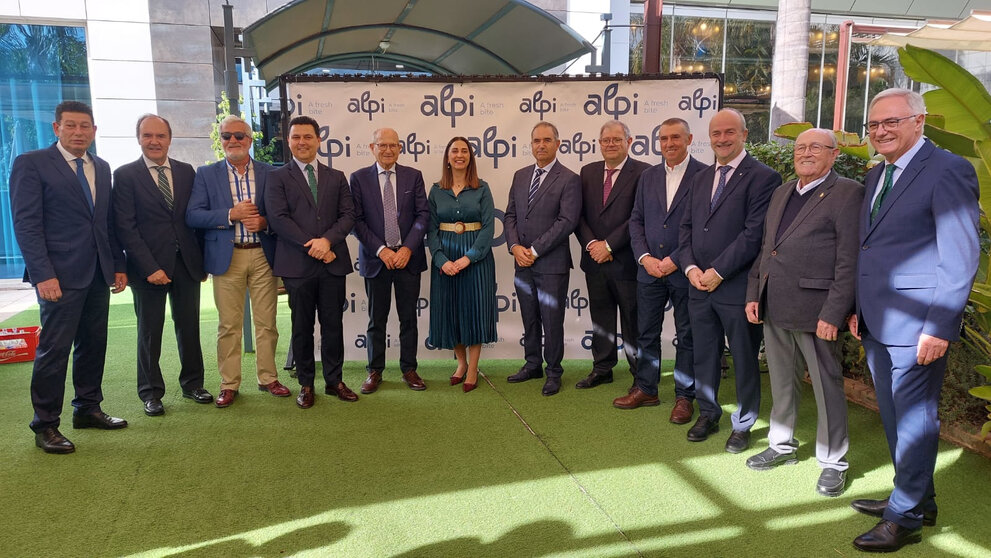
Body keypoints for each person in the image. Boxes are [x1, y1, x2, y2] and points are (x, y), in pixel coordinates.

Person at [847, 89, 979, 552]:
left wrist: (939, 326)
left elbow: (960, 256)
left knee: (915, 421)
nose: (880, 131)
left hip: (918, 326)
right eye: (874, 125)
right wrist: (857, 310)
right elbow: (869, 250)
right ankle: (918, 499)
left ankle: (905, 519)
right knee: (897, 418)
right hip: (878, 321)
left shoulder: (947, 169)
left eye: (892, 122)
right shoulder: (877, 174)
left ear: (919, 121)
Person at [743, 128, 863, 497]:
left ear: (834, 154)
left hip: (818, 311)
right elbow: (767, 248)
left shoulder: (848, 193)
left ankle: (833, 461)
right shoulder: (782, 191)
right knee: (781, 381)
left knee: (827, 387)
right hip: (774, 303)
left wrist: (835, 311)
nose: (805, 153)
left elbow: (848, 260)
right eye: (800, 147)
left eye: (815, 147)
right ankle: (782, 445)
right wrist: (754, 292)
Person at [10, 100, 129, 453]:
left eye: (85, 126)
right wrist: (43, 274)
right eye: (71, 126)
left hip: (97, 273)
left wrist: (118, 264)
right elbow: (27, 224)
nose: (79, 132)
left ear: (94, 130)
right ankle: (45, 423)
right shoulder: (32, 164)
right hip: (58, 277)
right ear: (56, 128)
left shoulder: (102, 167)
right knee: (55, 349)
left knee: (93, 344)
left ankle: (88, 408)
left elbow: (106, 223)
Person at [679, 108, 781, 453]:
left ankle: (744, 423)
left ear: (744, 135)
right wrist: (691, 268)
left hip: (736, 287)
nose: (722, 139)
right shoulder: (699, 179)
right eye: (716, 133)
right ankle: (708, 413)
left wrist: (718, 272)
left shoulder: (763, 177)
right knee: (704, 354)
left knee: (744, 356)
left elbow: (754, 235)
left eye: (729, 133)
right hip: (699, 287)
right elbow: (687, 230)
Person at [186, 115, 290, 408]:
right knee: (229, 325)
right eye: (227, 136)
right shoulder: (206, 174)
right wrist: (230, 215)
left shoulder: (271, 173)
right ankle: (229, 383)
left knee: (266, 323)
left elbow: (282, 213)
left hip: (262, 254)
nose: (233, 141)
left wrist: (265, 221)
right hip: (225, 257)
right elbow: (193, 215)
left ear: (250, 140)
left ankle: (268, 378)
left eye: (239, 136)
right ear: (220, 140)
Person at [113, 114, 210, 417]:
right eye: (147, 135)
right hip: (147, 268)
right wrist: (149, 266)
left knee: (189, 327)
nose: (154, 141)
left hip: (186, 264)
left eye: (160, 136)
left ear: (170, 138)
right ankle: (151, 393)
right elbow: (125, 227)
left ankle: (193, 384)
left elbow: (195, 219)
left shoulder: (186, 172)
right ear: (138, 138)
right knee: (149, 332)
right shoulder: (126, 175)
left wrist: (202, 261)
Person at [615, 118, 706, 417]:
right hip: (649, 270)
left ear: (689, 139)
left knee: (687, 335)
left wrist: (675, 260)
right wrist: (644, 258)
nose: (669, 143)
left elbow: (702, 227)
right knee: (646, 333)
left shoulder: (704, 175)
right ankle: (646, 388)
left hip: (684, 270)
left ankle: (684, 396)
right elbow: (636, 220)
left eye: (675, 137)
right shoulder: (648, 176)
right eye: (664, 138)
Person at [265, 115, 357, 409]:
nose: (302, 142)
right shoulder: (276, 177)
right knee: (301, 326)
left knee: (333, 325)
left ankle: (334, 381)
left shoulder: (337, 176)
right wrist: (314, 246)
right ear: (289, 142)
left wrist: (327, 242)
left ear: (319, 140)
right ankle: (306, 383)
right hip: (297, 266)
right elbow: (279, 219)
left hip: (332, 263)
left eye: (307, 137)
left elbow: (348, 216)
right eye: (296, 137)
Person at [349, 128, 430, 394]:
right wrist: (382, 250)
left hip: (408, 259)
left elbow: (422, 216)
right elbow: (357, 221)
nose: (388, 150)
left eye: (393, 145)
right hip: (376, 260)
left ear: (400, 148)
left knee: (408, 318)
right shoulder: (359, 178)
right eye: (382, 145)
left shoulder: (413, 176)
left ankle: (409, 369)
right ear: (372, 147)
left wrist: (407, 248)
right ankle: (375, 371)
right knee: (376, 319)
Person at [504, 121, 581, 396]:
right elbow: (510, 215)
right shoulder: (520, 175)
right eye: (536, 140)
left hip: (551, 264)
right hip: (521, 261)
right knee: (530, 317)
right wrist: (514, 247)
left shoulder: (570, 178)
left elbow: (567, 221)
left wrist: (534, 250)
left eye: (547, 140)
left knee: (551, 320)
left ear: (558, 144)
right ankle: (532, 364)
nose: (541, 145)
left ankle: (554, 372)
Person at [574, 120, 650, 390]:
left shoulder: (644, 172)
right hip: (594, 262)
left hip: (627, 262)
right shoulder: (587, 172)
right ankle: (602, 368)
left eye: (617, 139)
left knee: (633, 322)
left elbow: (638, 218)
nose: (610, 144)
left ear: (629, 142)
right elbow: (578, 215)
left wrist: (609, 246)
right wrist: (593, 244)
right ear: (599, 143)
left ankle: (640, 376)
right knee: (601, 319)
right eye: (606, 140)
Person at [426, 137, 497, 393]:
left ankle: (473, 368)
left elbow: (489, 228)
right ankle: (461, 363)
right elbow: (431, 230)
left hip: (475, 260)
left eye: (464, 151)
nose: (459, 155)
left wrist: (469, 257)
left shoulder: (482, 188)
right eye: (454, 150)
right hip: (446, 258)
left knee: (475, 311)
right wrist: (441, 260)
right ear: (447, 157)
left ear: (470, 157)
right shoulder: (436, 190)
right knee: (452, 311)